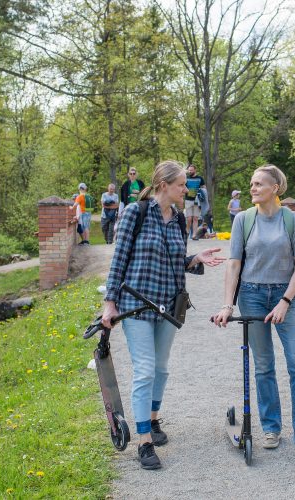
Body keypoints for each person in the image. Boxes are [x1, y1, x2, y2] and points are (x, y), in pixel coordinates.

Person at [102, 160, 225, 470]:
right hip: (137, 305)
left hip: (169, 306)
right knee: (145, 370)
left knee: (161, 368)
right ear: (164, 185)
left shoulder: (181, 217)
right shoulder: (136, 212)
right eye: (182, 185)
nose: (187, 189)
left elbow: (174, 261)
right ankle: (143, 442)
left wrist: (195, 257)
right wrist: (109, 303)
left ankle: (153, 421)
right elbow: (119, 260)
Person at [214, 164, 295, 456]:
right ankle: (271, 428)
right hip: (251, 295)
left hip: (285, 296)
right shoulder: (243, 220)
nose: (252, 188)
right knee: (264, 366)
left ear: (275, 188)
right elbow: (234, 264)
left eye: (259, 184)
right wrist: (227, 305)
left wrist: (285, 302)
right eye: (251, 183)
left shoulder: (294, 220)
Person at [184, 164, 205, 239]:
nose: (190, 171)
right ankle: (186, 232)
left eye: (191, 170)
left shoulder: (200, 178)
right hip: (188, 200)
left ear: (195, 170)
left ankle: (194, 235)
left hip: (197, 201)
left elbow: (203, 189)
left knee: (195, 218)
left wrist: (203, 198)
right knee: (189, 218)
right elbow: (183, 188)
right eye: (189, 170)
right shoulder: (186, 178)